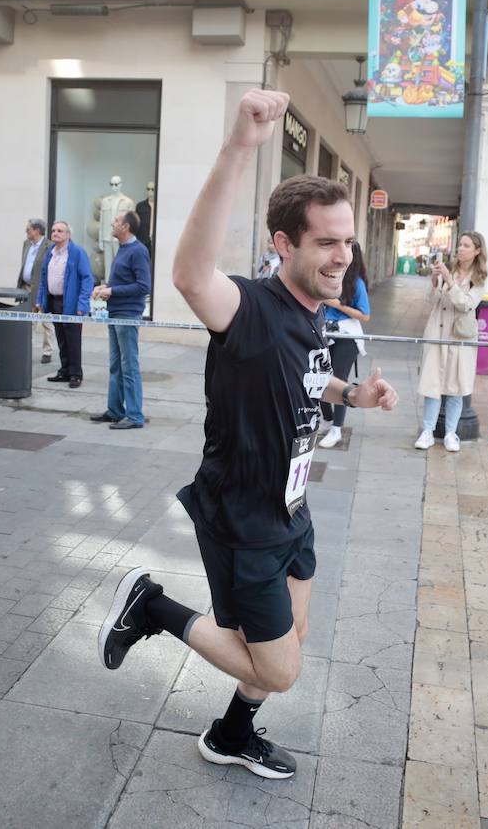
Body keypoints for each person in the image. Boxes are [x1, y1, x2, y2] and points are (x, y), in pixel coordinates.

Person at [96, 90, 397, 782]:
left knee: (292, 638)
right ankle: (152, 606)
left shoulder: (314, 312)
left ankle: (231, 735)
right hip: (244, 519)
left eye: (347, 241)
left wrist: (354, 393)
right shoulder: (249, 307)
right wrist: (238, 148)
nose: (342, 256)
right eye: (326, 242)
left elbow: (308, 378)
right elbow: (188, 276)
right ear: (283, 243)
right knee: (281, 668)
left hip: (290, 507)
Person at [415, 232, 487, 452]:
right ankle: (427, 432)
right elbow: (432, 300)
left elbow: (466, 304)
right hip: (438, 334)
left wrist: (448, 280)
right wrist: (436, 281)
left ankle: (450, 433)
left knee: (456, 386)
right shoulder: (450, 269)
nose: (461, 249)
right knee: (433, 384)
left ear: (477, 251)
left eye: (466, 245)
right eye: (460, 244)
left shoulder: (479, 279)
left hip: (459, 338)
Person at [91, 211, 151, 429]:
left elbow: (144, 286)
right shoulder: (124, 249)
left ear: (125, 227)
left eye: (116, 221)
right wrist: (105, 288)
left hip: (127, 315)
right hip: (116, 313)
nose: (113, 224)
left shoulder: (138, 251)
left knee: (129, 366)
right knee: (116, 365)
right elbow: (124, 281)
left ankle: (134, 416)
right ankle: (115, 410)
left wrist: (113, 291)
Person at [317, 242, 371, 449]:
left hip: (346, 337)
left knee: (339, 380)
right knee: (318, 377)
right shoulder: (327, 276)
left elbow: (365, 315)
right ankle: (327, 420)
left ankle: (336, 428)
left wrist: (337, 305)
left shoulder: (355, 283)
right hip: (324, 333)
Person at [36, 221, 93, 389]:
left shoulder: (77, 253)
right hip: (54, 301)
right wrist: (41, 299)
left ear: (68, 234)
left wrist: (82, 304)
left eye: (60, 231)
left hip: (71, 303)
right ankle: (65, 370)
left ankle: (76, 373)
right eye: (53, 230)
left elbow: (87, 279)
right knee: (61, 337)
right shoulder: (50, 253)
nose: (55, 233)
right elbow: (43, 278)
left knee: (73, 339)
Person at [18, 218, 54, 364]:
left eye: (29, 229)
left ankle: (47, 351)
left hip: (42, 289)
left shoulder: (49, 246)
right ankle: (25, 350)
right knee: (27, 321)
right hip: (26, 287)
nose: (26, 232)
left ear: (37, 231)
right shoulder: (26, 244)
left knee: (46, 322)